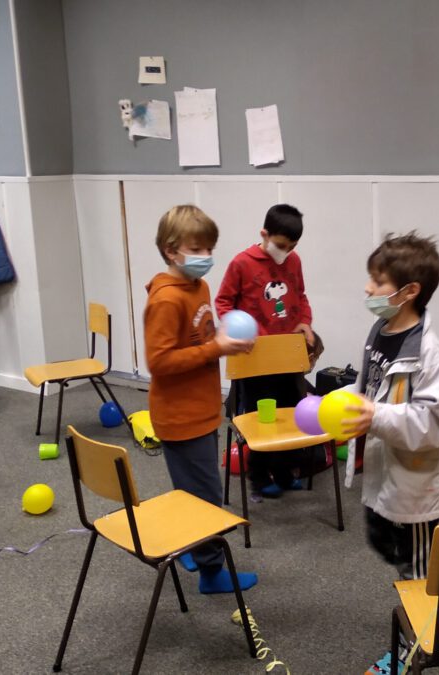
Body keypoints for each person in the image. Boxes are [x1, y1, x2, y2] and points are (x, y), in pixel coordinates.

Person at [144, 204, 258, 594]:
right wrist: (215, 349)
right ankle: (211, 572)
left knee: (193, 491)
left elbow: (201, 338)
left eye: (210, 249)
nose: (206, 257)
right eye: (197, 249)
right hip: (181, 416)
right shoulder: (166, 300)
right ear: (171, 250)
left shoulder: (200, 287)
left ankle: (192, 546)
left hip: (203, 408)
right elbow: (159, 362)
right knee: (206, 497)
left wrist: (226, 341)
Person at [342, 232, 439, 580]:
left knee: (420, 569)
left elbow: (431, 423)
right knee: (386, 543)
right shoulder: (380, 331)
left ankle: (425, 615)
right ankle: (413, 601)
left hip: (420, 487)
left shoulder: (430, 354)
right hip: (389, 468)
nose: (368, 288)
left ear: (410, 291)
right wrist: (342, 400)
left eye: (378, 281)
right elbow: (373, 386)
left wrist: (374, 415)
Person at [216, 204, 314, 496]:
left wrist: (305, 322)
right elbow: (223, 302)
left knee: (290, 414)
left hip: (287, 354)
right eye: (281, 245)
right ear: (264, 234)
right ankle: (258, 476)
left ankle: (284, 471)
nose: (286, 251)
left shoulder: (294, 261)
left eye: (292, 246)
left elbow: (301, 296)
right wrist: (239, 331)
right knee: (262, 417)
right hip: (255, 357)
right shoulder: (242, 263)